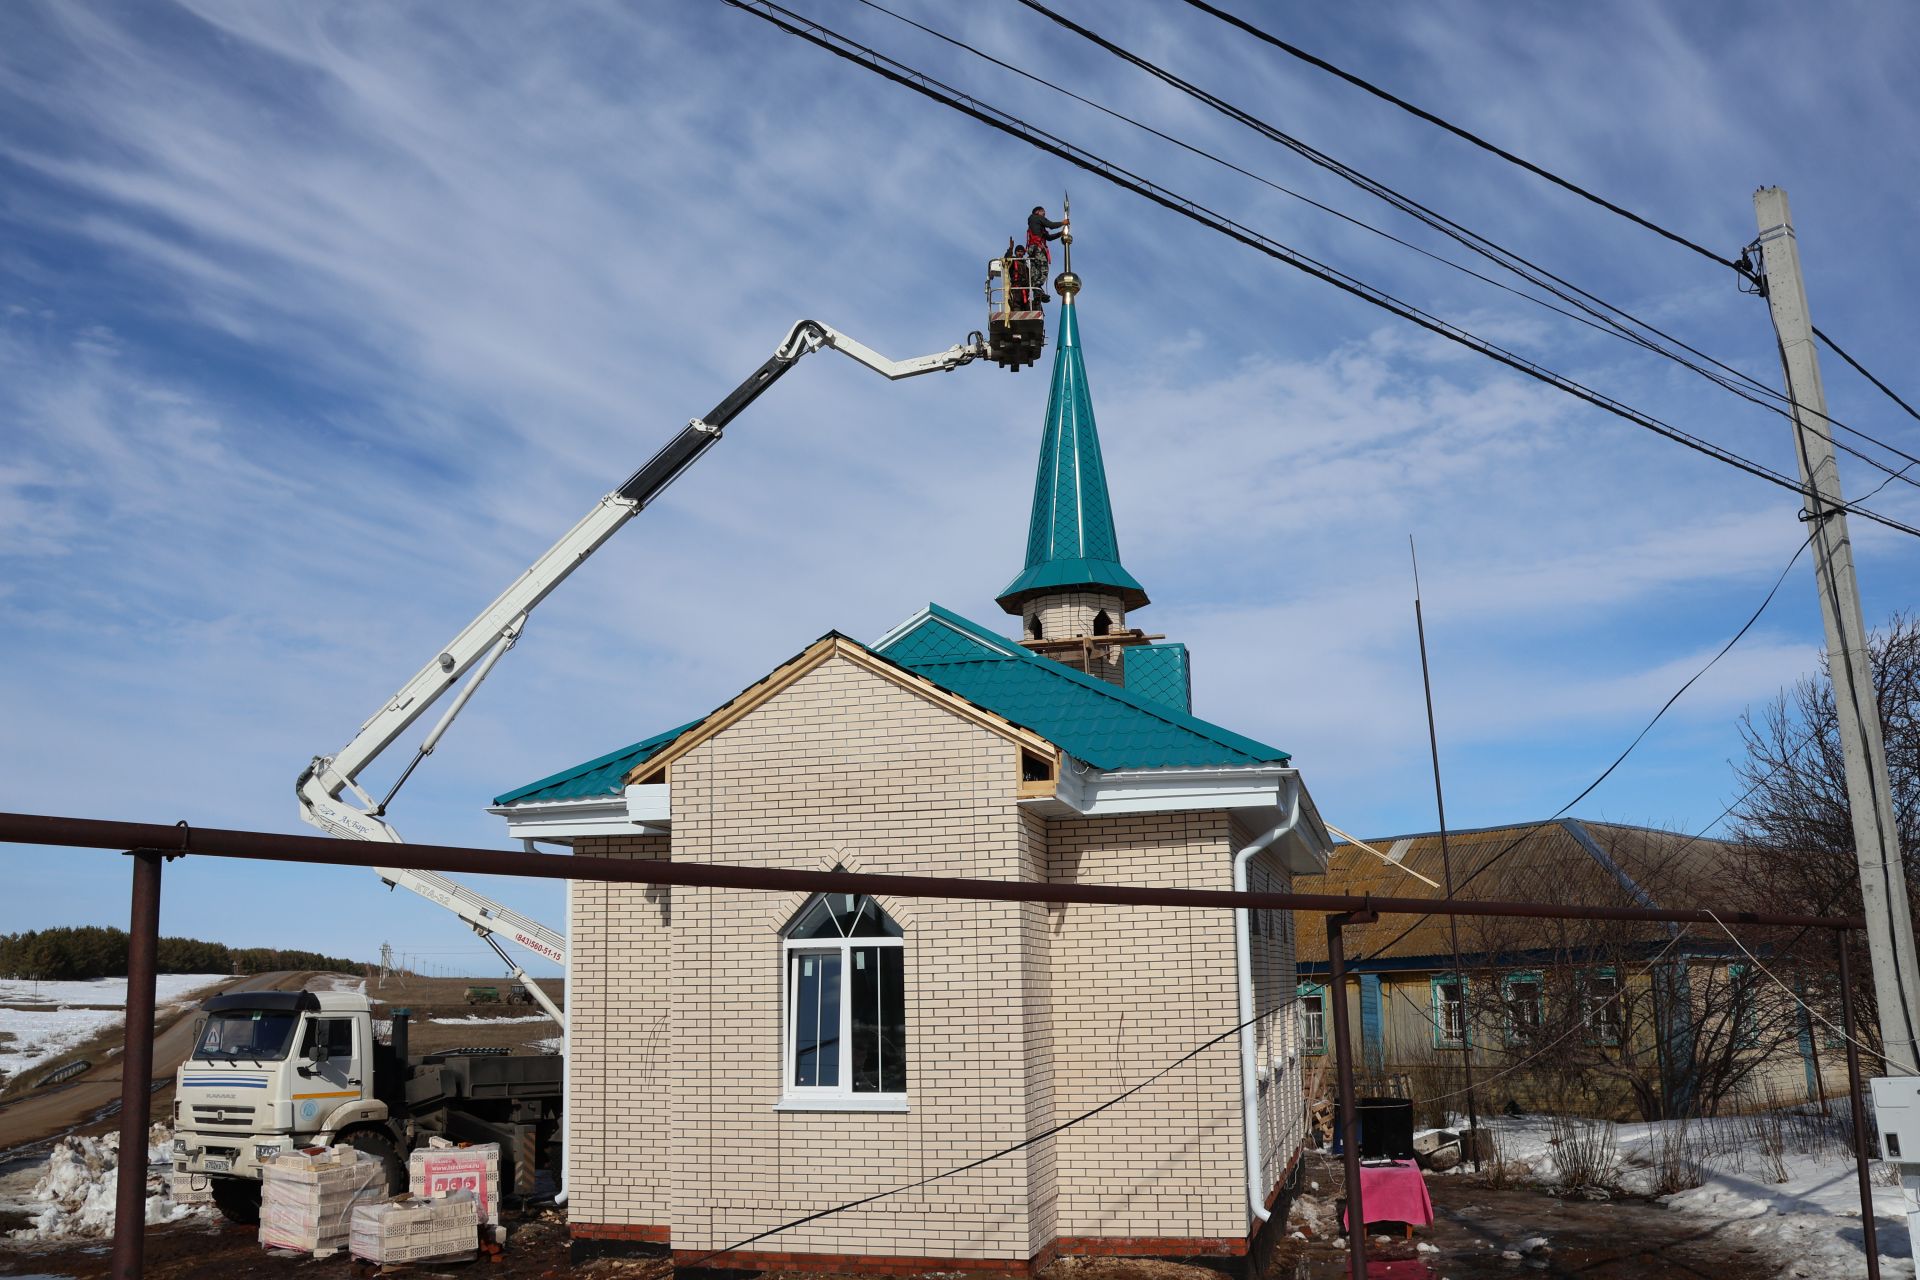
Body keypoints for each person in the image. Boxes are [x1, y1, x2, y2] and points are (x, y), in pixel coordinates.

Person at [1026, 206, 1066, 304]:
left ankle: (1036, 292)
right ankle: (1038, 287)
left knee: (1036, 271)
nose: (1044, 214)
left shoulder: (1038, 226)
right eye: (1043, 212)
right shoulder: (1035, 217)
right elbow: (1051, 225)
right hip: (1037, 248)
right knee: (1044, 269)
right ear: (1037, 212)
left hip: (1034, 248)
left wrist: (1061, 233)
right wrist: (1062, 223)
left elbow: (1049, 237)